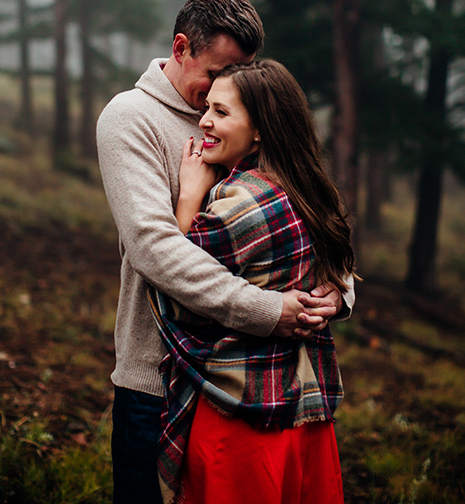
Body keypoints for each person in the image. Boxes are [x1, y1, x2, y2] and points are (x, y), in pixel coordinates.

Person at [95, 0, 354, 503]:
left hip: (255, 383)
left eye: (238, 74)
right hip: (160, 377)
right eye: (215, 73)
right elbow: (153, 246)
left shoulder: (249, 114)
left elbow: (303, 203)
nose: (224, 90)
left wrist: (337, 288)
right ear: (181, 46)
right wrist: (265, 309)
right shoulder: (130, 119)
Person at [150, 59, 355, 503]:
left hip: (244, 410)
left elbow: (178, 286)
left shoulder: (240, 201)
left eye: (221, 112)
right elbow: (337, 272)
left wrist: (188, 198)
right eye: (208, 107)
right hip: (305, 410)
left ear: (259, 129)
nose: (204, 119)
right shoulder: (307, 189)